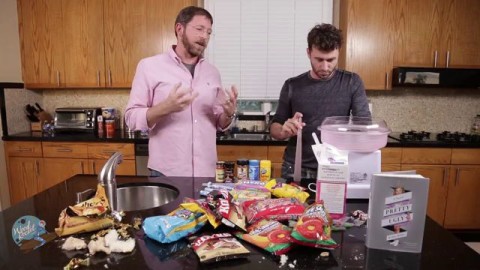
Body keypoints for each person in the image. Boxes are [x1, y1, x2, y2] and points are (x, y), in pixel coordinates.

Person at [124, 6, 238, 177]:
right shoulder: (149, 66)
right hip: (166, 172)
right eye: (199, 29)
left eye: (208, 32)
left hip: (206, 172)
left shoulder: (212, 72)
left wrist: (228, 115)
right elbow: (131, 118)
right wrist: (166, 107)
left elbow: (218, 121)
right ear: (179, 29)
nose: (204, 37)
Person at [270, 23, 371, 180]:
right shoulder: (292, 85)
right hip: (296, 167)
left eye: (331, 60)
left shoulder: (351, 82)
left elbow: (363, 125)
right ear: (308, 53)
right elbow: (274, 128)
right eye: (319, 59)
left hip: (336, 167)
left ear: (339, 52)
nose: (325, 66)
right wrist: (284, 130)